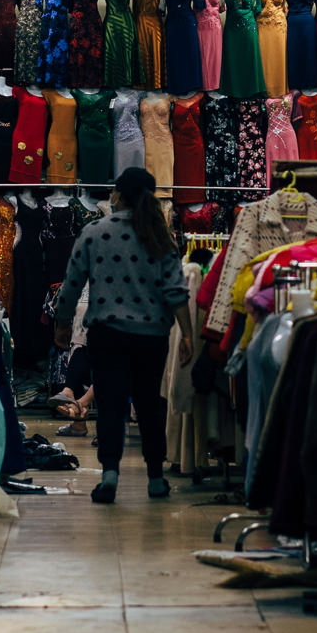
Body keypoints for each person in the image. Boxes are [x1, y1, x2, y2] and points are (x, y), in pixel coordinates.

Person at [52, 168, 193, 503]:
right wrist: (187, 334)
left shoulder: (94, 231)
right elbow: (176, 291)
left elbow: (72, 283)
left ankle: (110, 477)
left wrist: (62, 324)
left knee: (111, 405)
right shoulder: (160, 236)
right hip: (151, 336)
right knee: (149, 405)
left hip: (107, 334)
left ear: (119, 195)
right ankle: (156, 479)